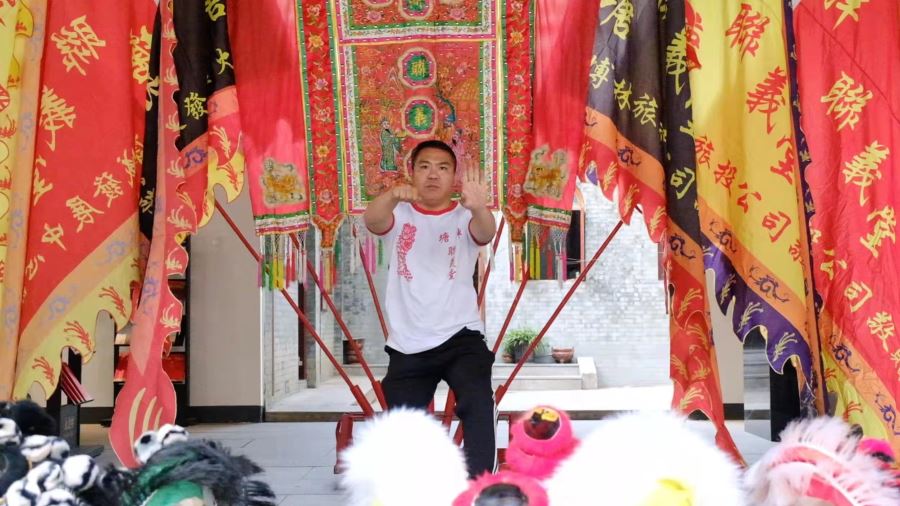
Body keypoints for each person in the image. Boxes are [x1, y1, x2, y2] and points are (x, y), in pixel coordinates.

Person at [363, 139, 497, 477]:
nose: (433, 174)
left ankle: (480, 487)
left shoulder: (464, 214)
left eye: (442, 167)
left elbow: (485, 232)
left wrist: (480, 207)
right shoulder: (400, 214)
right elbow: (373, 221)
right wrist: (393, 194)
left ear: (454, 176)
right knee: (404, 424)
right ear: (412, 173)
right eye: (424, 166)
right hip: (408, 342)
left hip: (460, 335)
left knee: (478, 401)